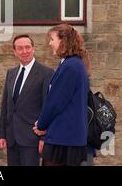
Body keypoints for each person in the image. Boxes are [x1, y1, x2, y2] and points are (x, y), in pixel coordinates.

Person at [33, 24, 90, 166]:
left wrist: (41, 124)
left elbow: (55, 102)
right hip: (67, 137)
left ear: (63, 41)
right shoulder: (73, 64)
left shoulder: (70, 66)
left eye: (52, 39)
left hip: (64, 140)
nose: (50, 43)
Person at [0, 34, 54, 166]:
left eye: (27, 47)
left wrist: (44, 137)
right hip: (12, 139)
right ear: (15, 52)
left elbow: (48, 107)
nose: (24, 51)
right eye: (20, 48)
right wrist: (1, 134)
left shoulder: (46, 73)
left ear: (33, 49)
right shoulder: (11, 73)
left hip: (32, 138)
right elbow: (6, 106)